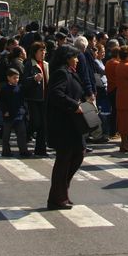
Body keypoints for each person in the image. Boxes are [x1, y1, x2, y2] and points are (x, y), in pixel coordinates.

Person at [45, 45, 85, 210]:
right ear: (67, 57)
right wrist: (74, 105)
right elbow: (56, 94)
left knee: (78, 155)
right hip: (63, 124)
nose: (77, 60)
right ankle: (57, 197)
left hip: (73, 123)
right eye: (74, 57)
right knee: (64, 159)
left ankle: (62, 191)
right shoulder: (61, 73)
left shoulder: (70, 72)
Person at [22, 41, 49, 156]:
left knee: (43, 124)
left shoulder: (46, 64)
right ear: (35, 52)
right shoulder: (29, 64)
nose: (43, 53)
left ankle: (41, 149)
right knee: (36, 122)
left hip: (44, 98)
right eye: (40, 51)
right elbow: (23, 82)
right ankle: (24, 137)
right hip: (33, 98)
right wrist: (34, 79)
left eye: (44, 50)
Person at [0, 68, 31, 157]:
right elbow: (2, 102)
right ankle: (6, 151)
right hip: (8, 115)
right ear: (8, 78)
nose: (16, 80)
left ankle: (23, 151)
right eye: (14, 78)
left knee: (22, 133)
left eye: (17, 78)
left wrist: (24, 111)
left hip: (19, 115)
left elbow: (23, 100)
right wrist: (5, 111)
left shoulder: (20, 88)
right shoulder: (4, 89)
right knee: (6, 135)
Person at [105, 45, 121, 138]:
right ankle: (114, 131)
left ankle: (113, 131)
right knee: (116, 111)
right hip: (116, 88)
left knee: (113, 111)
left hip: (110, 87)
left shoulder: (108, 62)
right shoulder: (116, 64)